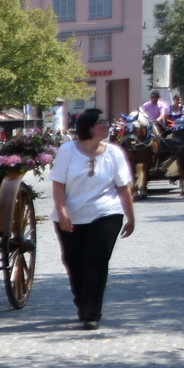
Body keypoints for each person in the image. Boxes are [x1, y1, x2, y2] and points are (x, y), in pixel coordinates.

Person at [50, 107, 136, 331]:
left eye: (107, 122)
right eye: (102, 122)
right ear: (88, 126)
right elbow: (58, 184)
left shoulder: (114, 153)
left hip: (106, 213)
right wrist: (62, 211)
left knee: (96, 262)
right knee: (74, 262)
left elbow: (123, 188)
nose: (107, 126)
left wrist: (130, 217)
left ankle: (92, 312)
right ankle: (83, 301)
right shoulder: (68, 150)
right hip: (71, 214)